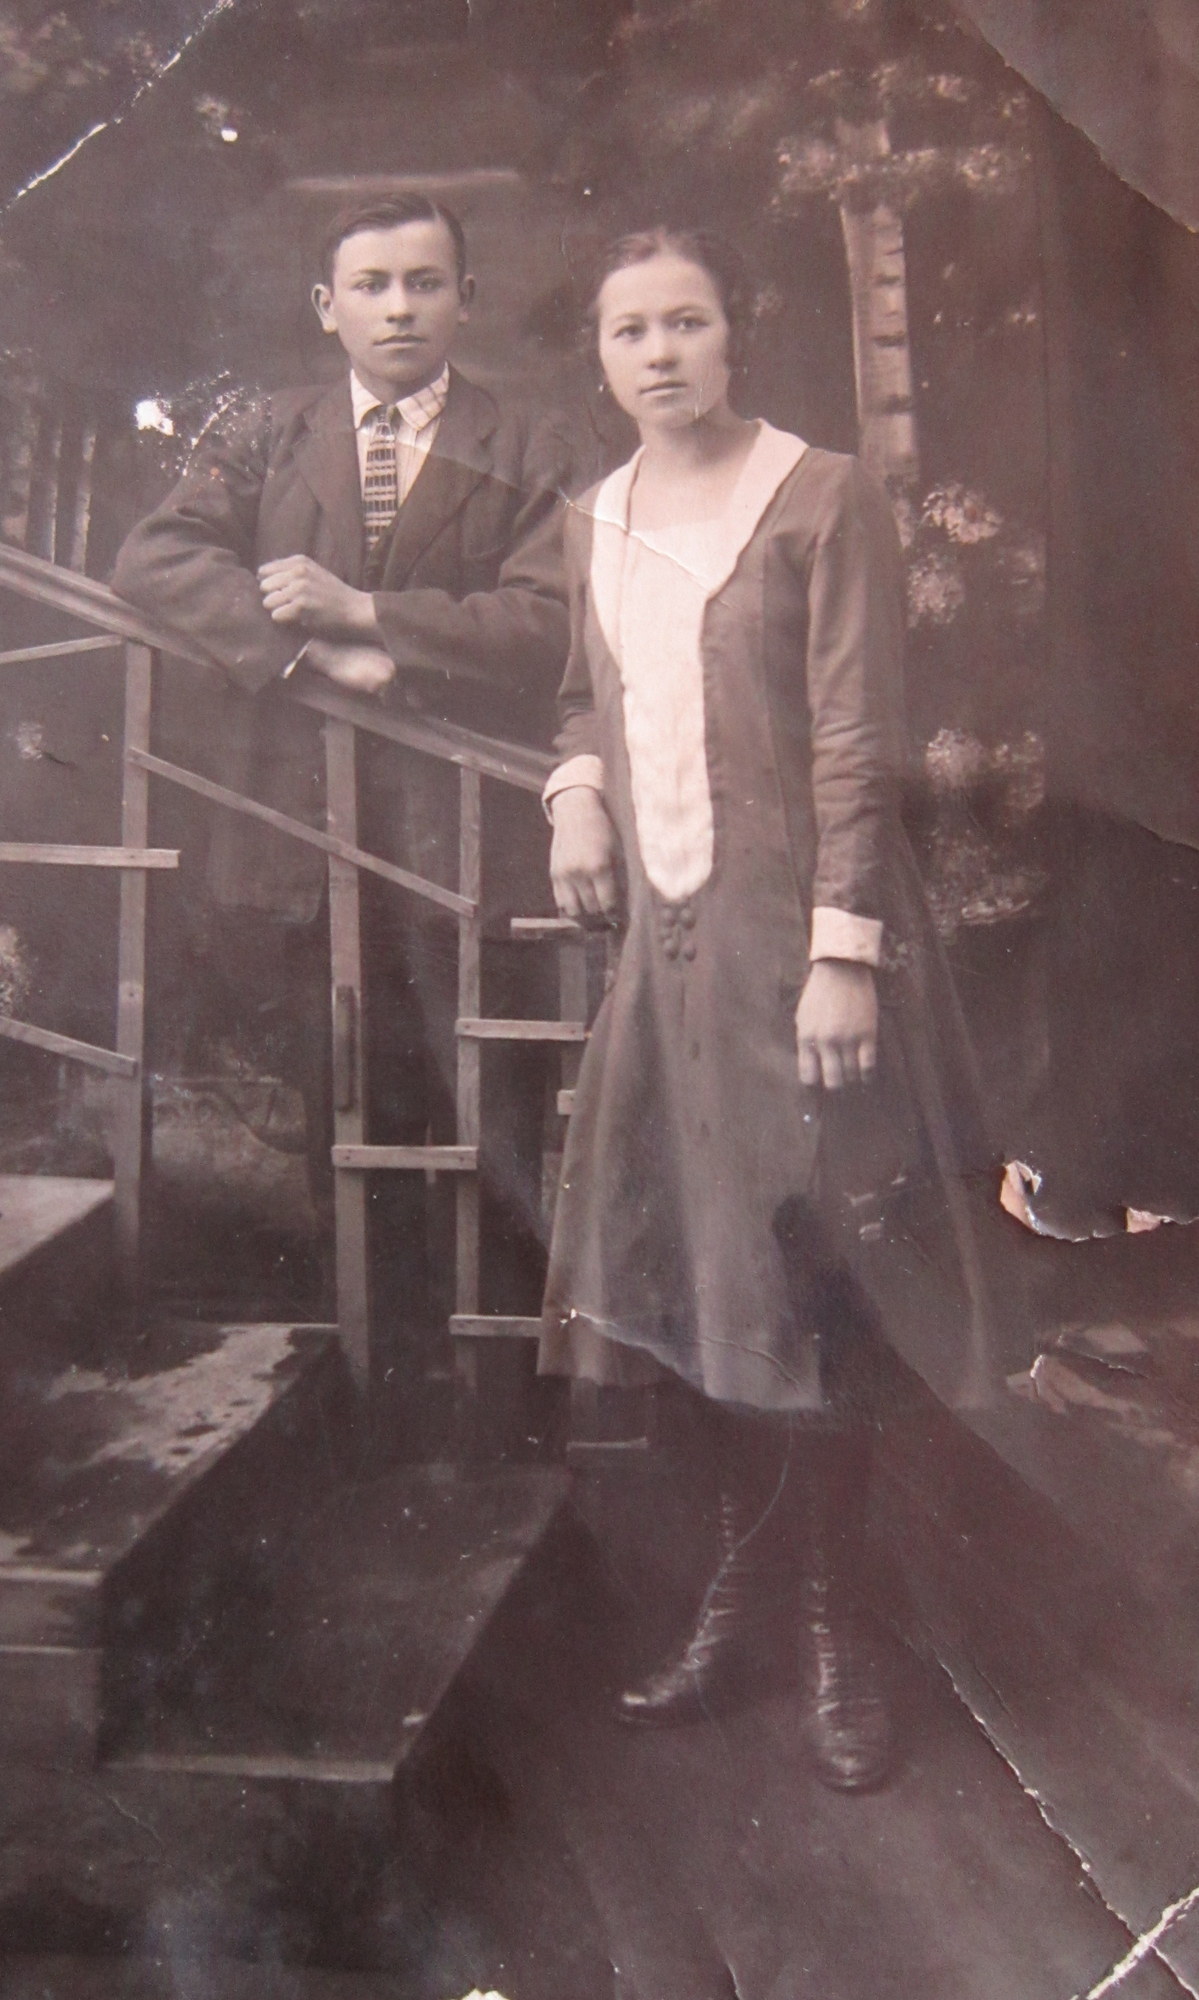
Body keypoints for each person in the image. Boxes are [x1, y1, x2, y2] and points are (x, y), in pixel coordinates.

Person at [539, 226, 993, 1790]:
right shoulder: (594, 517)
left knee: (812, 1291)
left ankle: (830, 1629)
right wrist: (573, 796)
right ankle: (736, 1599)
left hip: (795, 943)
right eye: (629, 330)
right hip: (665, 962)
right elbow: (581, 690)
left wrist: (841, 950)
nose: (659, 353)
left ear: (734, 334)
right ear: (599, 355)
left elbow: (858, 733)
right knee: (699, 1283)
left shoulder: (815, 494)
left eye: (687, 321)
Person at [112, 193, 571, 1358]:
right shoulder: (270, 431)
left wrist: (372, 617)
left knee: (489, 1119)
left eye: (424, 281)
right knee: (342, 1109)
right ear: (327, 307)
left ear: (465, 298)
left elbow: (549, 619)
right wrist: (308, 651)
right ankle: (373, 1372)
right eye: (371, 285)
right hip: (302, 834)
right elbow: (156, 555)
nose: (398, 307)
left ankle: (497, 1384)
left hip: (462, 838)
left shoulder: (530, 443)